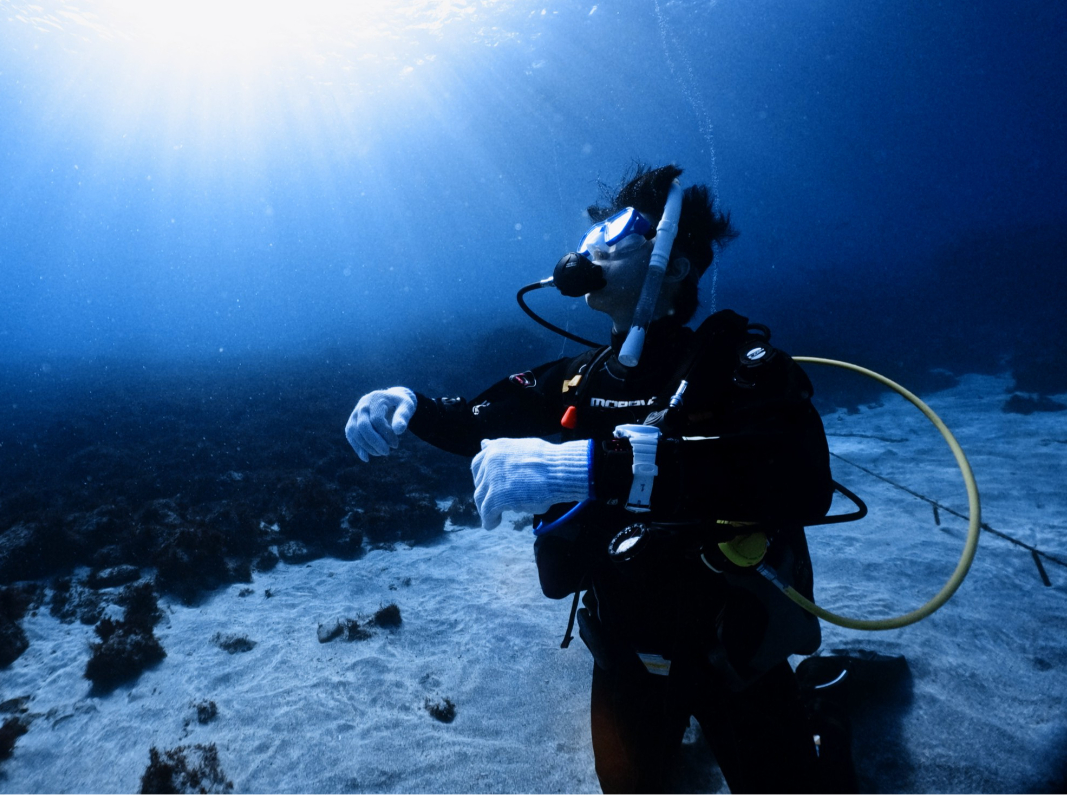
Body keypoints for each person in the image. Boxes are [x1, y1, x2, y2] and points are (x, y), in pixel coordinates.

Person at [344, 164, 834, 793]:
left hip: (734, 650)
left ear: (674, 264)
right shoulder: (580, 379)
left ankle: (828, 723)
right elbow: (472, 418)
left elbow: (801, 479)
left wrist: (590, 466)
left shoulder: (733, 366)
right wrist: (402, 400)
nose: (593, 249)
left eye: (621, 233)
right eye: (594, 233)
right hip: (623, 651)